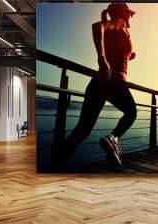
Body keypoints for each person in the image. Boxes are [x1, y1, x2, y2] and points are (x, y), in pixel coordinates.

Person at [59, 3, 137, 170]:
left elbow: (116, 52)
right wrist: (102, 59)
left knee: (82, 130)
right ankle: (113, 139)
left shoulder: (123, 31)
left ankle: (56, 164)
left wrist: (129, 56)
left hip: (99, 82)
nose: (132, 16)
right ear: (124, 13)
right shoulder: (118, 23)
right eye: (130, 13)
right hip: (114, 81)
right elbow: (97, 26)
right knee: (131, 112)